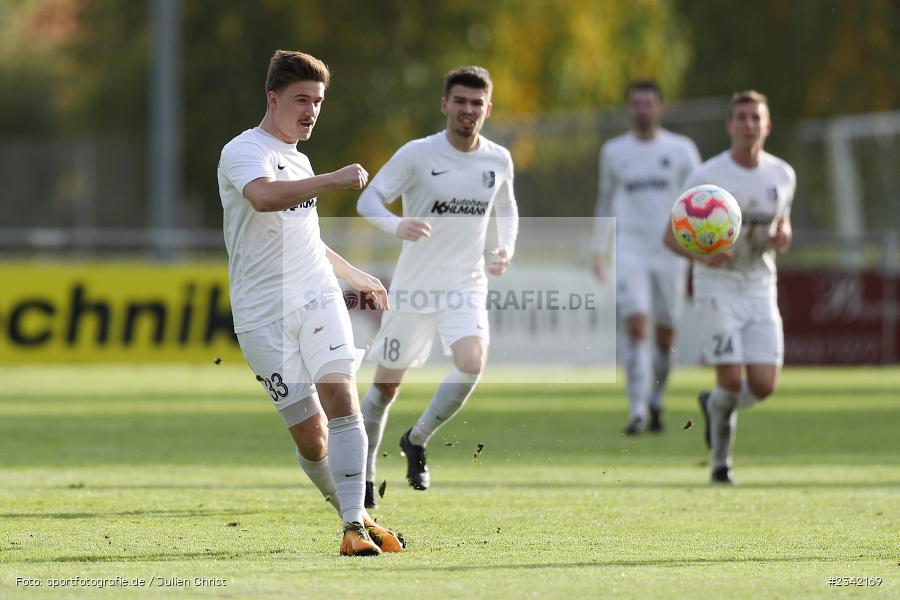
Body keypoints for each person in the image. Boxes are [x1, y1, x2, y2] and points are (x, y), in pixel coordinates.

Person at [217, 50, 405, 555]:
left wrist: (354, 275)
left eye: (318, 101)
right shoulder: (243, 150)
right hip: (262, 316)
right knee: (312, 439)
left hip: (318, 297)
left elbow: (306, 238)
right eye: (302, 99)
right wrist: (334, 179)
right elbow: (264, 198)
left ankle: (353, 529)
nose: (311, 111)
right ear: (273, 99)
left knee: (340, 394)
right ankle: (357, 516)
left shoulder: (300, 160)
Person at [356, 66, 518, 506]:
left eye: (477, 103)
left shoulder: (498, 159)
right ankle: (364, 479)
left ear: (487, 109)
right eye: (460, 101)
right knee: (385, 389)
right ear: (445, 105)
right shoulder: (417, 155)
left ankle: (417, 439)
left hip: (465, 284)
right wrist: (395, 224)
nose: (468, 110)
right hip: (414, 288)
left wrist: (506, 248)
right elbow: (367, 197)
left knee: (472, 361)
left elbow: (507, 207)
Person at [663, 90, 796, 484]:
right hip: (716, 285)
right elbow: (670, 237)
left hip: (758, 283)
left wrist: (783, 236)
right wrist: (704, 257)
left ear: (767, 125)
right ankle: (721, 464)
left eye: (756, 117)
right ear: (729, 125)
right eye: (741, 117)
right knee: (732, 381)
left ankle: (713, 405)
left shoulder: (782, 174)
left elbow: (782, 222)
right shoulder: (706, 177)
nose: (749, 125)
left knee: (764, 385)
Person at [592, 81, 701, 435]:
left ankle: (656, 400)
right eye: (636, 103)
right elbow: (605, 201)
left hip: (671, 250)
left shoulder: (682, 150)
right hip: (630, 249)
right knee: (636, 326)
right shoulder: (614, 151)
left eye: (648, 103)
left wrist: (699, 245)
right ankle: (637, 410)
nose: (642, 109)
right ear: (629, 109)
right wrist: (599, 249)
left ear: (660, 107)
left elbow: (702, 198)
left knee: (666, 334)